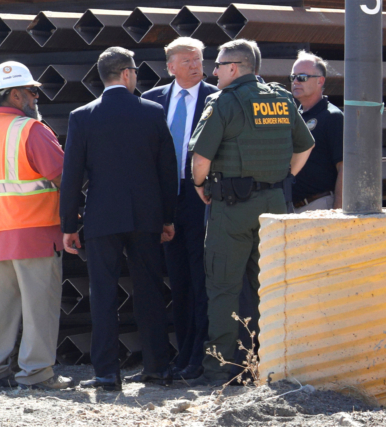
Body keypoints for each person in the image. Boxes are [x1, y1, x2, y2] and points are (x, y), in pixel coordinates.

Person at [189, 40, 315, 385]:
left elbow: (200, 160)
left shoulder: (224, 102)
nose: (213, 71)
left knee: (224, 286)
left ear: (235, 67)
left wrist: (200, 186)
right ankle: (270, 365)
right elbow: (305, 146)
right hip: (274, 205)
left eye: (218, 65)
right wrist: (282, 177)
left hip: (232, 208)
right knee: (271, 287)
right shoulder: (282, 99)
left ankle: (219, 370)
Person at [60, 47, 178, 391]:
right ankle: (157, 368)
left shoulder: (82, 116)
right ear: (127, 74)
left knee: (103, 295)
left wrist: (69, 224)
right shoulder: (153, 113)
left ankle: (107, 373)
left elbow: (72, 177)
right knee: (150, 293)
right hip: (146, 218)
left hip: (101, 218)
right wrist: (167, 218)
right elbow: (167, 171)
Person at [0, 61, 72, 390]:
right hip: (35, 232)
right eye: (31, 91)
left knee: (0, 310)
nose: (35, 97)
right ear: (13, 94)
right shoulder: (32, 130)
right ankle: (36, 374)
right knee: (39, 309)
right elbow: (62, 176)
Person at [141, 37, 217, 381]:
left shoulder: (218, 97)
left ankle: (198, 357)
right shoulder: (152, 101)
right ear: (169, 66)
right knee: (178, 280)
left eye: (198, 60)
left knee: (202, 278)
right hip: (164, 199)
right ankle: (181, 353)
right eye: (186, 61)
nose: (195, 65)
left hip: (200, 196)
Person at [290, 51, 344, 212]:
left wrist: (337, 211)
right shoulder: (294, 116)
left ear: (320, 81)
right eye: (293, 77)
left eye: (302, 77)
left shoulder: (332, 116)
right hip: (293, 207)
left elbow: (344, 168)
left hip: (319, 205)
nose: (296, 82)